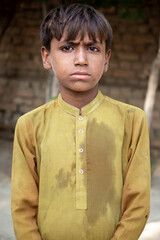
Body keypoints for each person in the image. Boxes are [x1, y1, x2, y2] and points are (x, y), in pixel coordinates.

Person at [11, 3, 151, 240]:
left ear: (106, 59)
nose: (81, 59)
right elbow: (22, 208)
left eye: (93, 49)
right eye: (67, 47)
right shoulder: (29, 125)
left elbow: (138, 203)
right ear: (47, 57)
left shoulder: (132, 121)